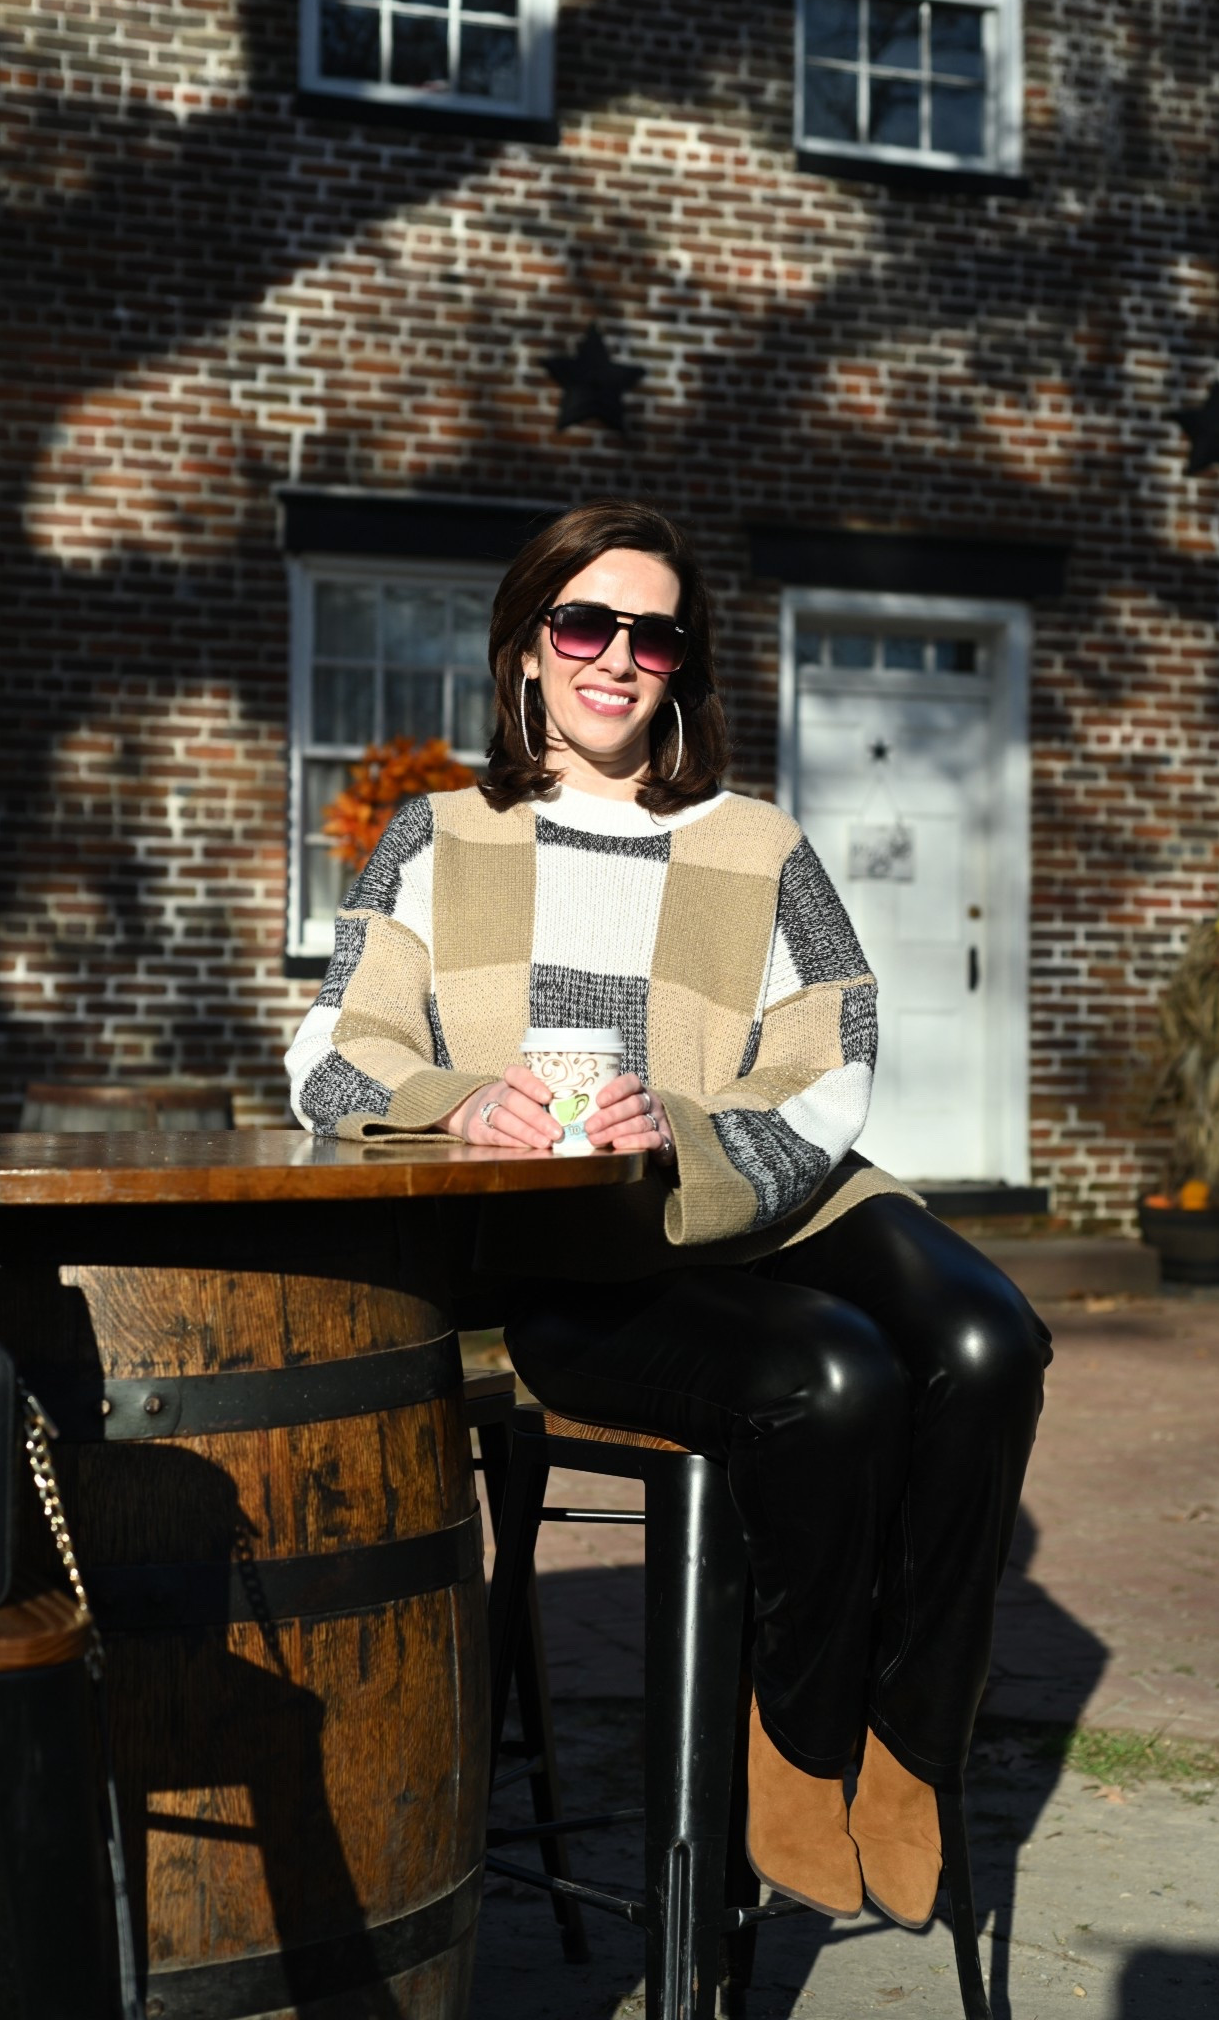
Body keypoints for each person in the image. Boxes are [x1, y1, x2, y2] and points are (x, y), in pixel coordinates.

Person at [287, 499, 1051, 1925]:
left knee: (991, 1337)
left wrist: (695, 1139)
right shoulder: (437, 838)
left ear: (681, 665)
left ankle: (909, 1741)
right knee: (832, 1380)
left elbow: (837, 1052)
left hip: (768, 1198)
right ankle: (800, 1737)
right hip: (565, 1250)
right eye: (585, 622)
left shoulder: (753, 843)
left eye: (653, 633)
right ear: (527, 648)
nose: (616, 657)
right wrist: (456, 1100)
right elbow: (329, 1055)